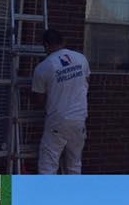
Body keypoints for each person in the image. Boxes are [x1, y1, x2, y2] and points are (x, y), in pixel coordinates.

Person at [31, 29, 90, 175]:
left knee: (48, 166)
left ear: (45, 45)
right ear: (63, 42)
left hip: (58, 121)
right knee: (75, 164)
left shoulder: (43, 67)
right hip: (79, 120)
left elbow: (39, 99)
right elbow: (86, 82)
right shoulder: (81, 58)